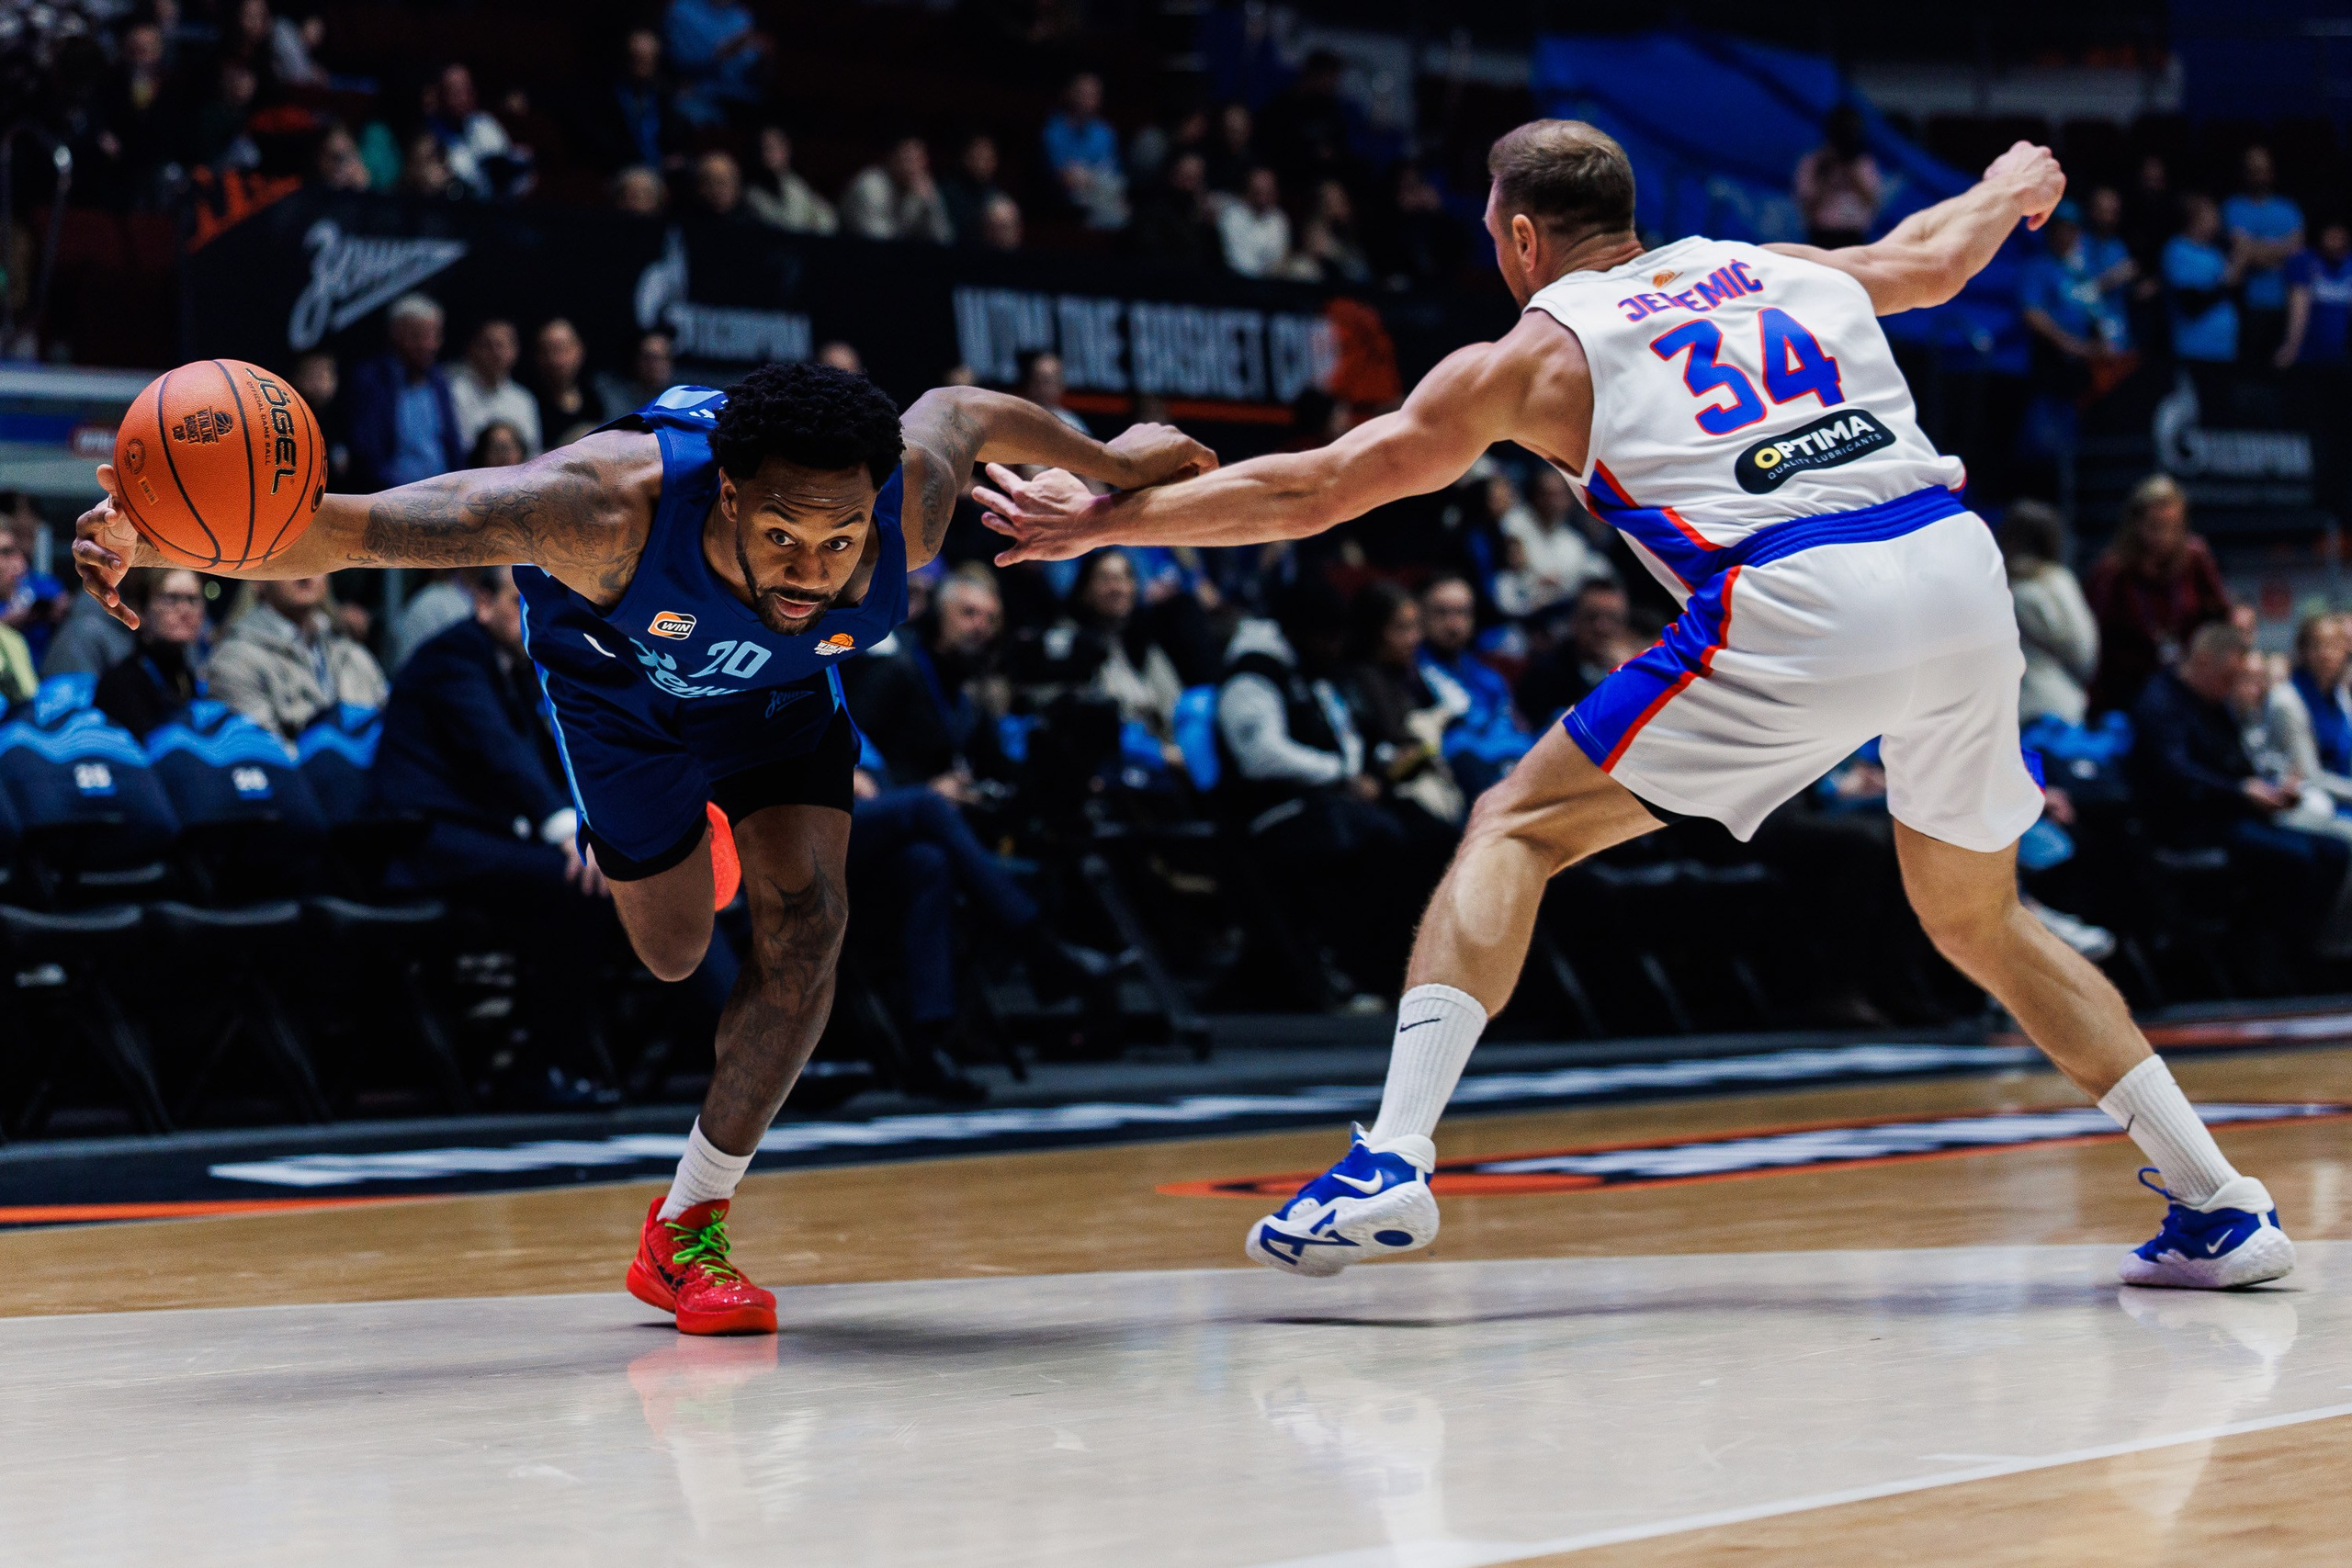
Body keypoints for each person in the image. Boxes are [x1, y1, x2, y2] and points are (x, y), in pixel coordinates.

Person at [980, 120, 2296, 1291]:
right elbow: (1934, 258)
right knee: (1981, 917)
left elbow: (1318, 488)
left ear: (1519, 237)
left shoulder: (1535, 353)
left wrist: (1104, 523)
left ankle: (1390, 1158)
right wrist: (2009, 183)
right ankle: (2219, 1201)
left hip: (1793, 590)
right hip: (1953, 566)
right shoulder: (1774, 264)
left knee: (1515, 825)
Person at [75, 363, 1212, 1336]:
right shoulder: (597, 508)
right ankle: (695, 828)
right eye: (779, 536)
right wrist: (160, 531)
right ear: (728, 494)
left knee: (811, 923)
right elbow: (352, 529)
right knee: (673, 952)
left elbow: (964, 409)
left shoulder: (908, 502)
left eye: (837, 541)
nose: (810, 569)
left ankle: (687, 1226)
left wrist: (1108, 460)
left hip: (771, 698)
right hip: (617, 693)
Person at [373, 565, 643, 1100]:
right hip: (420, 841)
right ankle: (540, 1064)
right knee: (576, 884)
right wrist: (568, 833)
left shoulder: (521, 667)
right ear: (483, 603)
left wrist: (600, 829)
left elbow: (556, 763)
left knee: (599, 876)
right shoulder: (452, 657)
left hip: (482, 837)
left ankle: (560, 1055)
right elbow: (502, 757)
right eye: (523, 599)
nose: (538, 613)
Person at [2132, 621, 2348, 953]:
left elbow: (2238, 763)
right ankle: (2265, 949)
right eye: (2228, 677)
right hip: (2189, 822)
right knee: (2300, 858)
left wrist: (2271, 789)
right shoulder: (2161, 701)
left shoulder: (2212, 701)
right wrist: (2240, 791)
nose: (2232, 687)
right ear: (2203, 660)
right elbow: (2177, 773)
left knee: (2334, 852)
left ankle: (2299, 950)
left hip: (2232, 811)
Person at [2083, 474, 2232, 716]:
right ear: (2136, 525)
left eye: (2173, 527)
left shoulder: (2196, 558)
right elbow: (2092, 638)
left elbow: (2220, 618)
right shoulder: (2112, 570)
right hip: (2127, 694)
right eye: (2155, 526)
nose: (2164, 536)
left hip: (2188, 688)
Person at [206, 577, 390, 739]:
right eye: (291, 563)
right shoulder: (234, 660)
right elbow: (262, 754)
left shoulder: (354, 655)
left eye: (316, 563)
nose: (305, 575)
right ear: (258, 580)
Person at [1416, 572, 1532, 795]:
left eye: (1462, 612)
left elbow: (1510, 729)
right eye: (1442, 613)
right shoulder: (1413, 674)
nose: (1453, 624)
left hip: (1508, 767)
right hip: (1462, 778)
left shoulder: (1489, 677)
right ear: (1421, 616)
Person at [348, 293, 465, 491]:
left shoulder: (439, 381)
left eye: (434, 336)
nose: (429, 345)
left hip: (445, 495)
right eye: (418, 336)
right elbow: (368, 456)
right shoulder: (372, 381)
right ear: (395, 335)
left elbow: (452, 446)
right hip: (393, 495)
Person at [1998, 501, 2098, 727]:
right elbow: (2085, 653)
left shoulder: (1991, 585)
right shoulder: (2057, 582)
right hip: (2060, 709)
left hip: (2009, 712)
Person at [93, 569, 207, 737]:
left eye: (193, 599)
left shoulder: (186, 677)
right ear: (140, 610)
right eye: (171, 599)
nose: (185, 610)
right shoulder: (121, 683)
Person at [2165, 194, 2248, 412]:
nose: (2218, 222)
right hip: (2194, 352)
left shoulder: (2214, 253)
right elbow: (2192, 302)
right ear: (2194, 219)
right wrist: (2230, 277)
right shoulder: (2178, 249)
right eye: (2212, 216)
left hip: (2224, 351)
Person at [2222, 146, 2303, 368]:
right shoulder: (2233, 206)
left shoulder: (2288, 209)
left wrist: (2254, 249)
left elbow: (2296, 250)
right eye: (2253, 170)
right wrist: (2278, 249)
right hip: (2246, 305)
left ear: (2272, 173)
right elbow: (2241, 249)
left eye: (2263, 170)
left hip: (2283, 303)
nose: (2258, 176)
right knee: (2247, 374)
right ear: (2244, 173)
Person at [2265, 611, 2352, 811]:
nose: (2326, 654)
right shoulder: (2286, 700)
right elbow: (2309, 775)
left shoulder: (2341, 697)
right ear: (2302, 651)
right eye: (2317, 645)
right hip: (2304, 802)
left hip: (2342, 792)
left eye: (2334, 645)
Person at [447, 319, 542, 457]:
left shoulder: (524, 400)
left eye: (501, 345)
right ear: (471, 349)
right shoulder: (455, 394)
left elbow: (533, 453)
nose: (495, 352)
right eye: (487, 346)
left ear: (515, 351)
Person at [1043, 73, 1126, 231]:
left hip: (1103, 197)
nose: (1087, 100)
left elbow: (1114, 177)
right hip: (1067, 201)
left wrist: (1087, 177)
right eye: (1083, 93)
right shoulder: (1053, 131)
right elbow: (1065, 178)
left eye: (1093, 95)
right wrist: (1093, 178)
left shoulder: (1106, 133)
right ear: (1070, 94)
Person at [1792, 105, 1881, 249]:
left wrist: (1850, 171)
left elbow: (1872, 202)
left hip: (1853, 236)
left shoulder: (1863, 163)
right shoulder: (1814, 162)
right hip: (1822, 236)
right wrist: (1827, 173)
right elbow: (1807, 206)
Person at [841, 137, 953, 245]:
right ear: (892, 158)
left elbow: (944, 240)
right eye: (908, 159)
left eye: (919, 159)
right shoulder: (870, 185)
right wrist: (911, 210)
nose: (913, 167)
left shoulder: (922, 187)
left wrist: (930, 203)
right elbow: (878, 243)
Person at [743, 126, 836, 235]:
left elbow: (828, 221)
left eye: (781, 145)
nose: (776, 153)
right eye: (768, 148)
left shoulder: (796, 183)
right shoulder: (753, 193)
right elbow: (790, 226)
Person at [530, 319, 593, 447]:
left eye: (562, 348)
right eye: (547, 350)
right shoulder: (528, 403)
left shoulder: (600, 397)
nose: (555, 359)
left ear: (580, 349)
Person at [1218, 167, 1289, 278]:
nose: (1263, 199)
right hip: (1239, 280)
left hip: (1273, 281)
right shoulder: (1232, 217)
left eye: (1268, 193)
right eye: (1258, 192)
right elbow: (1239, 262)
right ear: (1248, 191)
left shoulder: (1279, 219)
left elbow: (1279, 259)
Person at [594, 331, 676, 423]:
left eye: (664, 357)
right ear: (636, 359)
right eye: (649, 357)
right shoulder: (614, 395)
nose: (656, 365)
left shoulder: (681, 395)